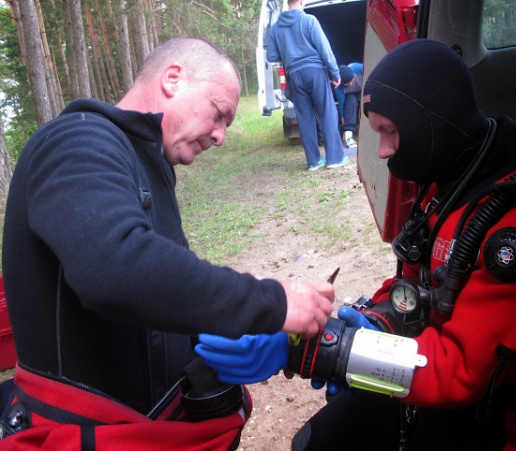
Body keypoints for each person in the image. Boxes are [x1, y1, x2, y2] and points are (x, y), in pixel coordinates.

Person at [195, 39, 516, 450]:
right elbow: (416, 285)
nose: (385, 150)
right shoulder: (458, 177)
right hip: (432, 375)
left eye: (390, 131)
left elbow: (459, 372)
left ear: (434, 121)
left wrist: (311, 351)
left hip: (507, 418)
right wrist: (374, 324)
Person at [0, 36, 335, 450]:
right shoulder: (75, 141)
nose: (220, 136)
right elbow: (115, 268)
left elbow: (156, 296)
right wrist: (273, 303)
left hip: (151, 423)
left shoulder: (149, 164)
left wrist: (230, 335)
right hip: (83, 433)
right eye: (218, 114)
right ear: (173, 78)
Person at [267, 0, 349, 170]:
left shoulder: (275, 28)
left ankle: (313, 161)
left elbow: (271, 56)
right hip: (315, 70)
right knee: (326, 112)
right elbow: (324, 49)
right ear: (301, 1)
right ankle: (334, 158)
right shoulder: (309, 20)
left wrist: (289, 53)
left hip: (294, 75)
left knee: (304, 118)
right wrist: (334, 72)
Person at [335, 63, 363, 149]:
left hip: (364, 91)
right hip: (352, 97)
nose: (351, 84)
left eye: (351, 80)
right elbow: (342, 107)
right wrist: (345, 128)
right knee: (350, 100)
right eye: (347, 83)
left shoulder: (359, 68)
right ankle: (349, 137)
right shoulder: (339, 87)